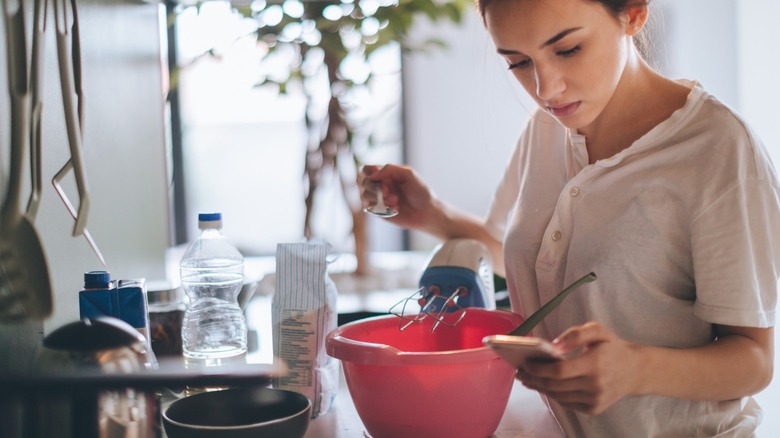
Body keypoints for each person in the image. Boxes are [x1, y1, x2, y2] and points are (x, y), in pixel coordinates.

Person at [359, 0, 779, 436]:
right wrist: (432, 215)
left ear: (633, 14)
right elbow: (534, 266)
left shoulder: (719, 151)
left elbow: (754, 360)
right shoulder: (547, 129)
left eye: (568, 50)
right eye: (519, 62)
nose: (545, 89)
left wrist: (637, 369)